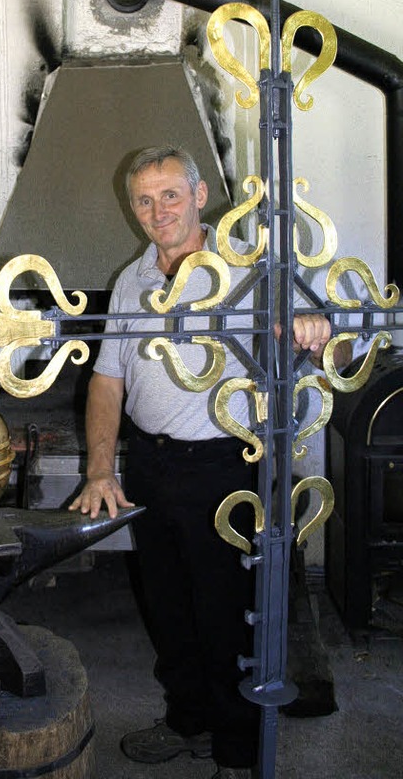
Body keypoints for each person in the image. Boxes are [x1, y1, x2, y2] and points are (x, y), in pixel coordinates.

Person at [70, 145, 337, 779]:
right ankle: (188, 721)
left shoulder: (248, 268)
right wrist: (100, 469)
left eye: (169, 194)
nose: (157, 210)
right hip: (151, 470)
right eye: (143, 199)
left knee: (228, 618)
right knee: (166, 607)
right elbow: (107, 381)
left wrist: (308, 320)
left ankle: (237, 753)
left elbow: (312, 328)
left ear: (197, 197)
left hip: (226, 468)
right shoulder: (132, 278)